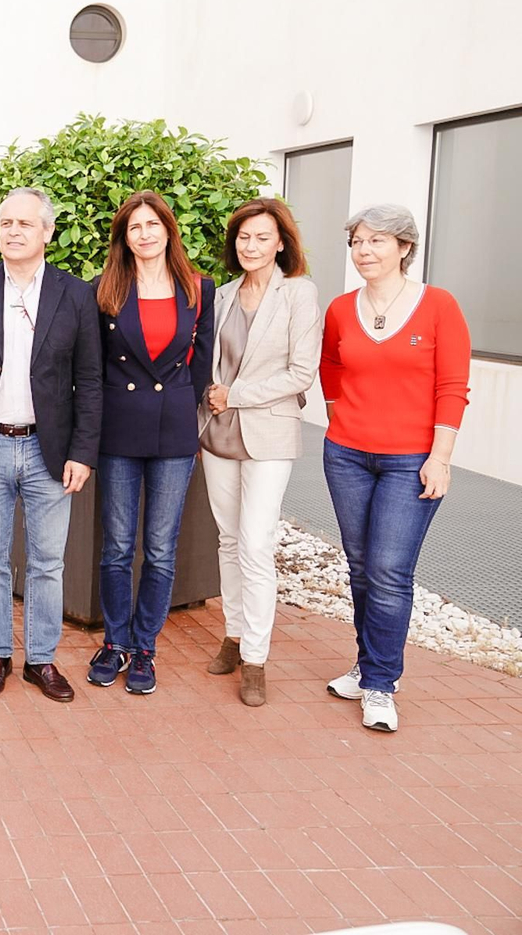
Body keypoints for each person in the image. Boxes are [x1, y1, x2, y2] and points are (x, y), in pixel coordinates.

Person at [320, 204, 469, 732]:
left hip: (411, 460)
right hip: (346, 455)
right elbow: (331, 369)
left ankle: (382, 683)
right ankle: (367, 666)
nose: (365, 251)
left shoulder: (438, 306)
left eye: (378, 241)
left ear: (405, 247)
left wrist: (441, 457)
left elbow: (452, 385)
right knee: (360, 566)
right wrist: (344, 420)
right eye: (357, 242)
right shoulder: (341, 309)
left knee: (388, 571)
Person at [0, 188, 102, 704]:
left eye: (24, 223)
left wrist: (83, 452)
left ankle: (40, 660)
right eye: (5, 223)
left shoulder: (76, 294)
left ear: (48, 232)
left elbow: (90, 380)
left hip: (51, 448)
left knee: (47, 562)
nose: (13, 231)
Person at [87, 192, 214, 696]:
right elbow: (93, 368)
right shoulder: (105, 290)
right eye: (133, 227)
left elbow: (201, 363)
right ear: (124, 237)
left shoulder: (199, 289)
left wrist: (190, 411)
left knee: (160, 549)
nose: (143, 234)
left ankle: (145, 649)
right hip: (119, 428)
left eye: (151, 224)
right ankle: (115, 642)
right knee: (117, 547)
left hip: (174, 432)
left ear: (168, 230)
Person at [199, 198, 321, 706]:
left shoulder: (299, 294)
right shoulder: (221, 295)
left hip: (268, 433)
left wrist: (235, 395)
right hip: (217, 432)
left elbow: (301, 373)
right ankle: (232, 633)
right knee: (228, 539)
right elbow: (206, 359)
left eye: (262, 238)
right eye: (244, 238)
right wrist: (210, 393)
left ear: (281, 243)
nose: (251, 246)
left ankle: (256, 658)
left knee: (255, 543)